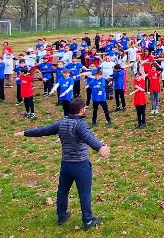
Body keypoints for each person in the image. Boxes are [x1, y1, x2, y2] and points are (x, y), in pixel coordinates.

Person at [15, 97, 110, 230]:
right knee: (84, 193)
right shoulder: (80, 124)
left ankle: (62, 215)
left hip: (66, 165)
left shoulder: (62, 123)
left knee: (63, 191)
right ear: (81, 110)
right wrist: (100, 146)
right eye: (85, 108)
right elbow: (88, 137)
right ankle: (88, 221)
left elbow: (43, 130)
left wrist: (25, 132)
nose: (85, 109)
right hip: (81, 165)